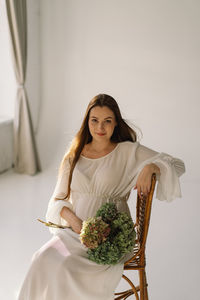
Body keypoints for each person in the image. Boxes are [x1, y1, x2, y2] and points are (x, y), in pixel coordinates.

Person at [18, 94, 185, 300]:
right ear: (87, 121)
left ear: (116, 124)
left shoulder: (127, 151)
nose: (100, 127)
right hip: (73, 233)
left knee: (67, 269)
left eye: (108, 121)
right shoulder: (74, 154)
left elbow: (177, 165)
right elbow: (57, 200)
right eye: (94, 120)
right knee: (41, 260)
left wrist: (151, 166)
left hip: (110, 236)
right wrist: (76, 223)